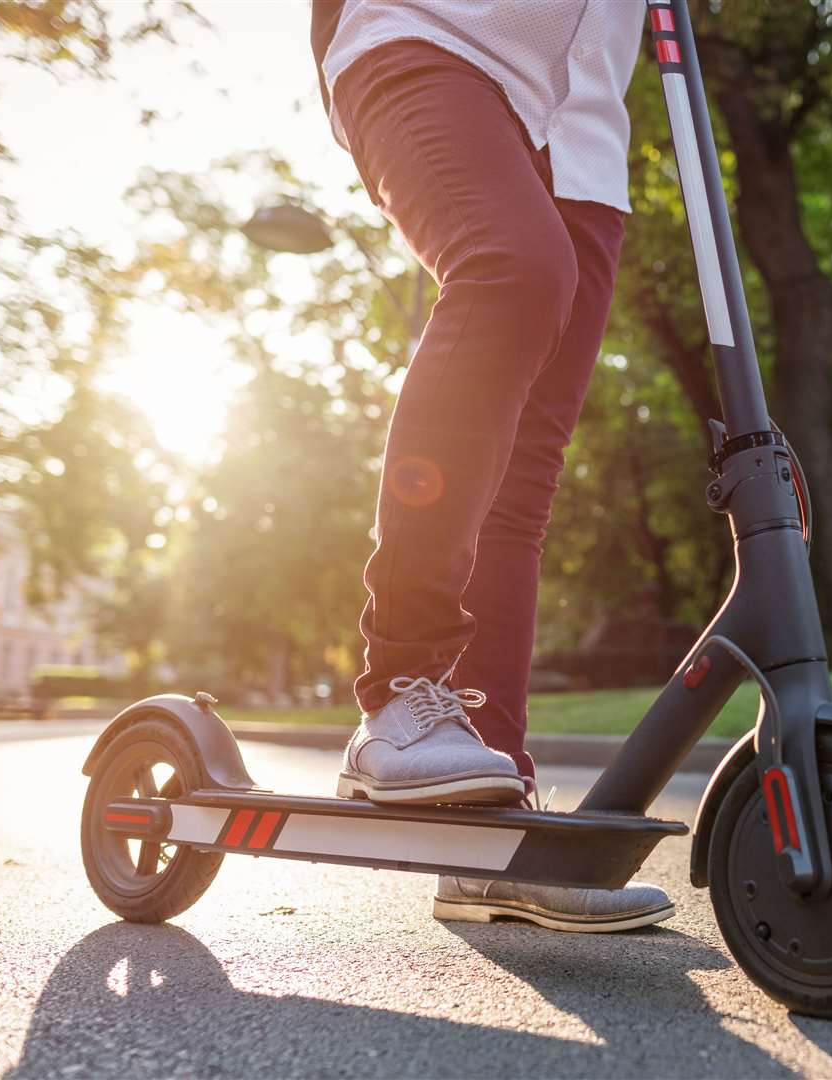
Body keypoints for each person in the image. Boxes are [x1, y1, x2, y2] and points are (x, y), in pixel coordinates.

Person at [310, 1, 673, 931]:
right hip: (431, 38)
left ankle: (489, 832)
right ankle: (396, 692)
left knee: (523, 473)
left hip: (584, 126)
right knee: (513, 269)